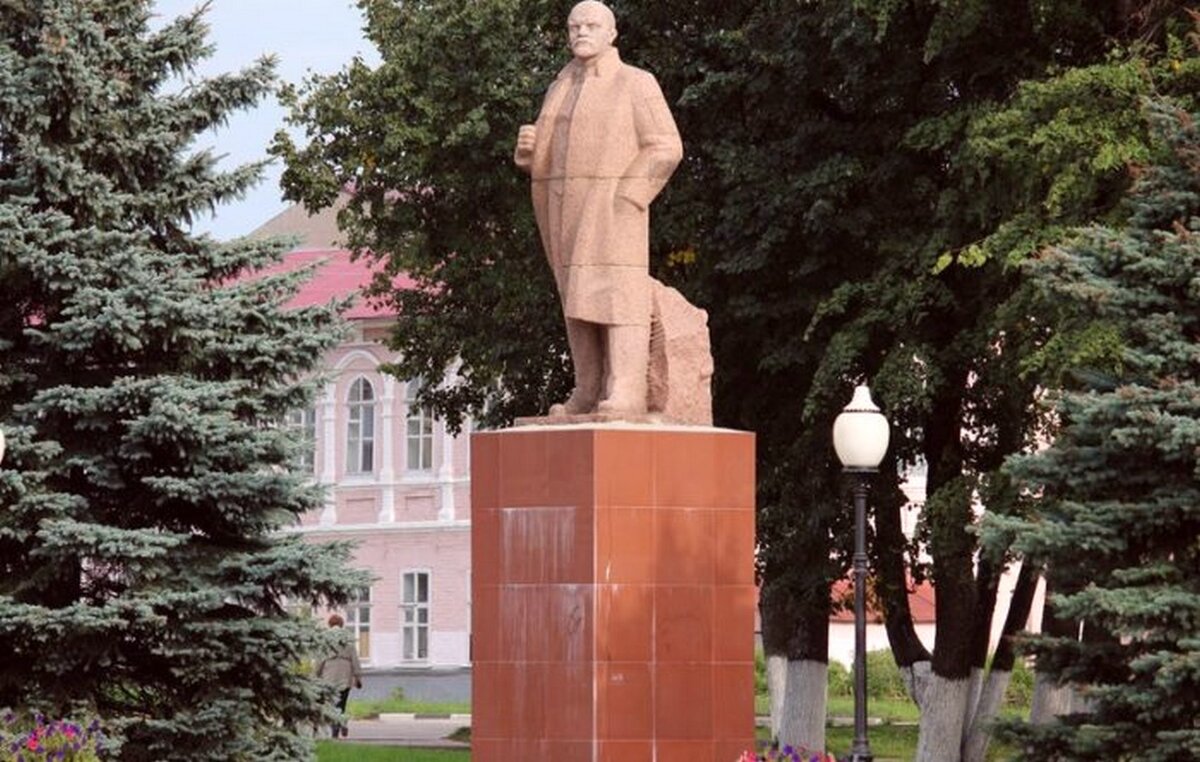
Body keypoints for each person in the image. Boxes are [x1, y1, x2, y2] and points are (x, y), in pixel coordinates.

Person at [515, 0, 683, 416]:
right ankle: (587, 389)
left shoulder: (635, 82)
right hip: (564, 208)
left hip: (614, 209)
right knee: (575, 297)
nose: (581, 33)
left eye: (591, 25)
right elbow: (549, 155)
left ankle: (625, 389)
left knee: (617, 298)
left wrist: (629, 193)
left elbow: (666, 145)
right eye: (574, 27)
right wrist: (529, 155)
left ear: (612, 34)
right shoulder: (560, 86)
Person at [314, 614, 362, 739]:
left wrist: (315, 675)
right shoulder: (348, 639)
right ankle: (342, 722)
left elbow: (319, 660)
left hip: (329, 675)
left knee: (331, 704)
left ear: (330, 624)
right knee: (342, 703)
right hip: (345, 675)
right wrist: (358, 677)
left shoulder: (325, 639)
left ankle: (335, 729)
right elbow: (355, 660)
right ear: (341, 624)